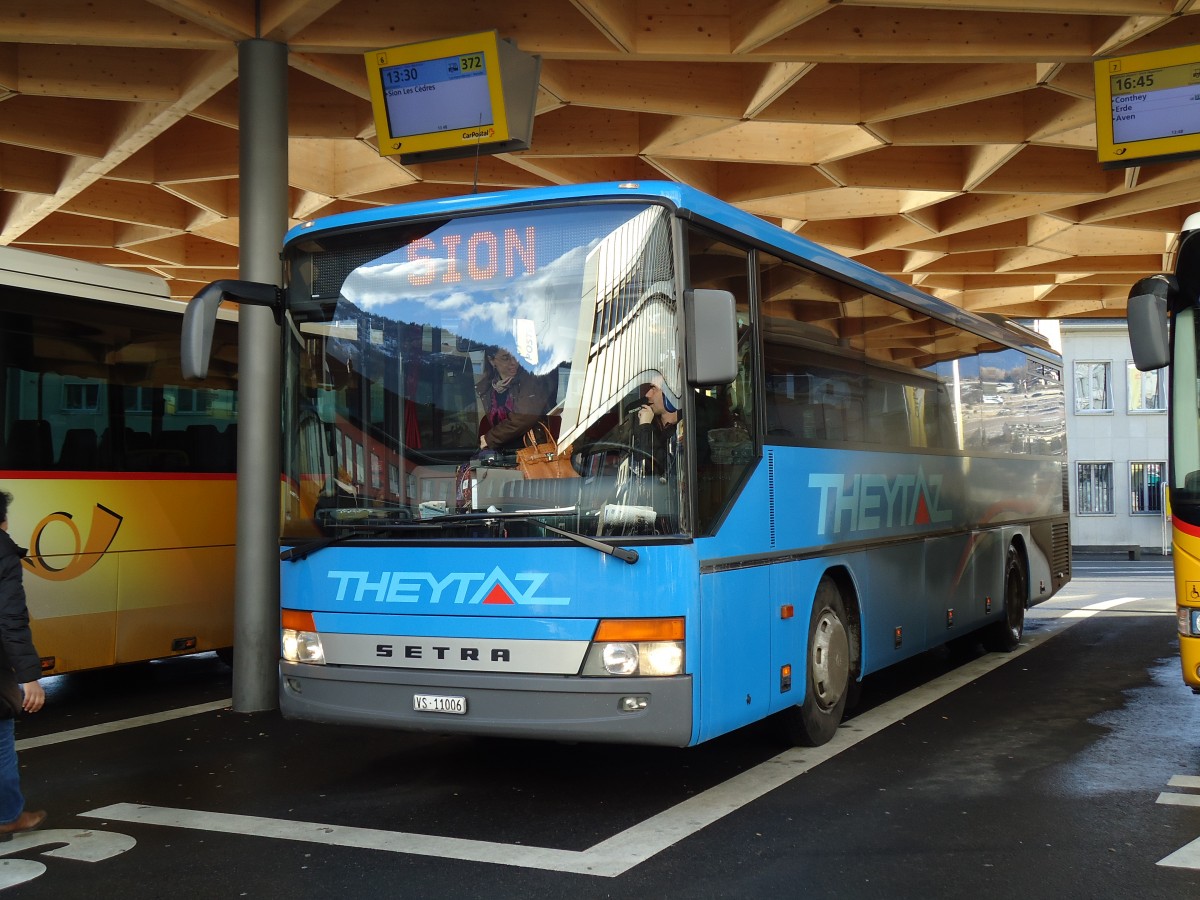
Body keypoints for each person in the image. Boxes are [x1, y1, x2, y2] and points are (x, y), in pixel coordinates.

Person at [0, 490, 45, 839]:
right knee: (0, 739)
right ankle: (8, 815)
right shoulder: (3, 552)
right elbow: (11, 619)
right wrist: (29, 678)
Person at [476, 346, 550, 451]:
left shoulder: (530, 379)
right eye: (506, 358)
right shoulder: (487, 388)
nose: (514, 362)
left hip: (530, 453)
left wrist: (490, 438)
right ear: (491, 361)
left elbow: (524, 417)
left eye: (516, 356)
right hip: (501, 455)